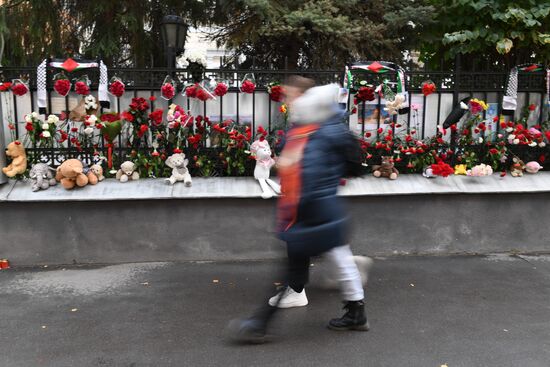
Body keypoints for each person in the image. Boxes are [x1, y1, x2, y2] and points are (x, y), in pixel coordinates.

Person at [228, 83, 368, 343]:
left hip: (311, 211)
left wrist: (296, 212)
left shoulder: (316, 134)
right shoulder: (323, 131)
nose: (293, 106)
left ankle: (259, 323)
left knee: (294, 270)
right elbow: (349, 166)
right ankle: (356, 313)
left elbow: (308, 176)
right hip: (322, 209)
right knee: (338, 258)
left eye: (298, 103)